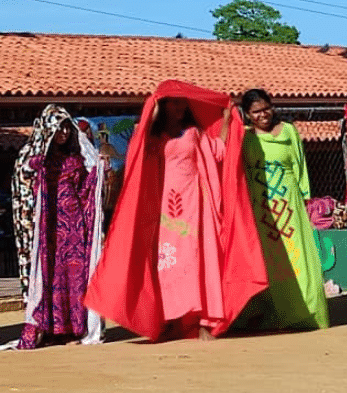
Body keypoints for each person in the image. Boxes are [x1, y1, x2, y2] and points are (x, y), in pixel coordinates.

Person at [85, 81, 267, 341]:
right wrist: (154, 111)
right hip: (164, 210)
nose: (180, 106)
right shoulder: (154, 136)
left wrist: (226, 120)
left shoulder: (194, 132)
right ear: (164, 105)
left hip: (195, 205)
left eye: (183, 102)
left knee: (195, 261)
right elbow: (140, 156)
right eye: (174, 102)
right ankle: (170, 320)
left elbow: (218, 151)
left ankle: (204, 320)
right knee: (167, 266)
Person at [5, 105, 104, 350]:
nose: (63, 133)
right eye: (58, 128)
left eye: (66, 128)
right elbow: (24, 188)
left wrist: (98, 172)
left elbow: (84, 190)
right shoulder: (35, 159)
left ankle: (74, 327)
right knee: (49, 275)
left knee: (75, 277)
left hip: (73, 228)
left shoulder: (76, 160)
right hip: (48, 229)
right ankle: (49, 329)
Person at [239, 88, 329, 330]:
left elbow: (300, 167)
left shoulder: (289, 132)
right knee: (268, 260)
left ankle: (304, 313)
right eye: (256, 112)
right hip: (260, 208)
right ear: (247, 114)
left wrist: (305, 199)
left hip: (290, 206)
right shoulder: (244, 139)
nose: (263, 115)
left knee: (297, 256)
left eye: (266, 108)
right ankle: (270, 315)